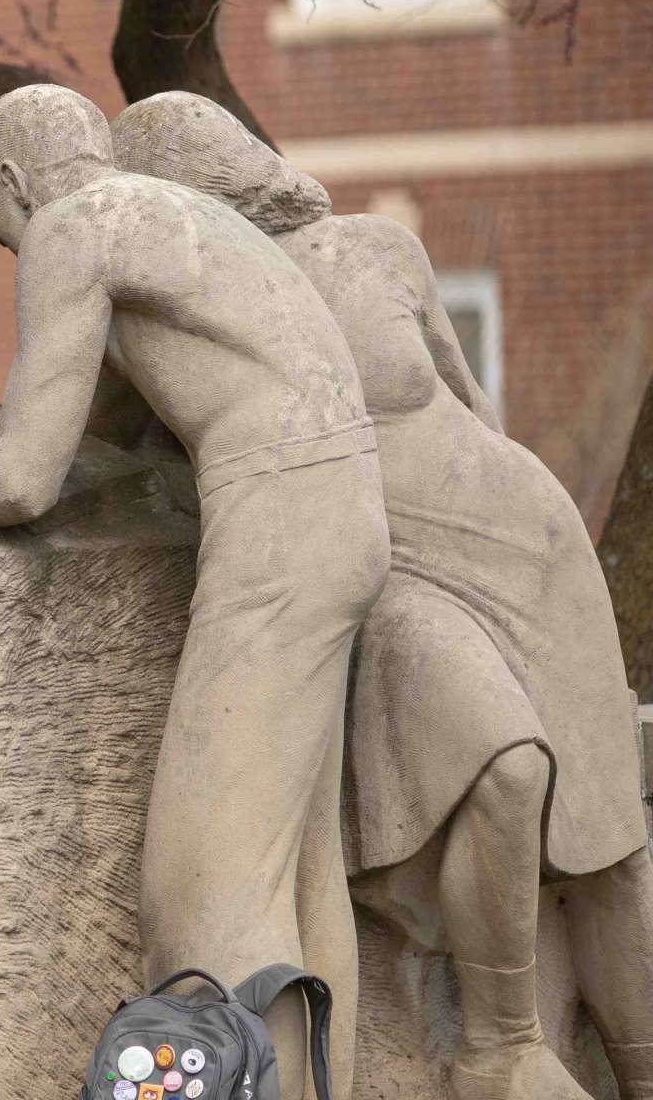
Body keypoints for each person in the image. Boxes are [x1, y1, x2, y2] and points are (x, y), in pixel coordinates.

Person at [112, 91, 652, 1100]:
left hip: (526, 547)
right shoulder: (175, 303)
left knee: (613, 848)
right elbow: (99, 459)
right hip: (385, 572)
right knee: (508, 768)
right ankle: (499, 1043)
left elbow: (471, 402)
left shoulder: (374, 246)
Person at [0, 86, 390, 1100]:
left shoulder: (76, 225)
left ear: (13, 183)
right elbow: (92, 445)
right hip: (339, 518)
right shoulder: (175, 215)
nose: (13, 254)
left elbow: (23, 479)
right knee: (296, 875)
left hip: (277, 531)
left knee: (200, 895)